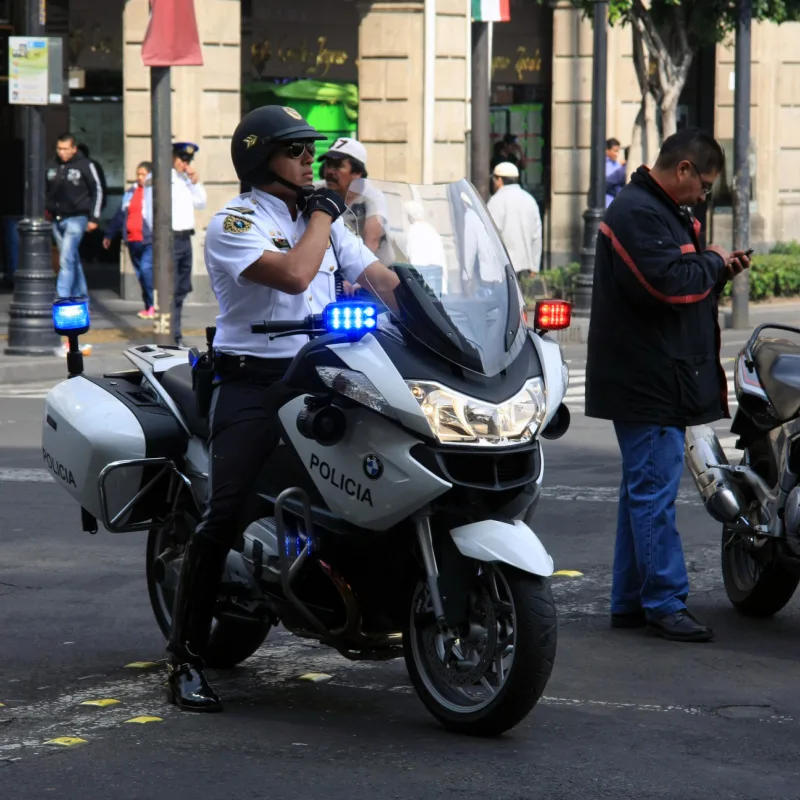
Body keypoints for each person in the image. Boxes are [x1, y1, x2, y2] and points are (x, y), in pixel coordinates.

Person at [164, 105, 400, 712]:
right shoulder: (235, 222)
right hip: (254, 382)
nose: (309, 161)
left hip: (323, 373)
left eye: (309, 151)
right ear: (260, 158)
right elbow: (296, 276)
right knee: (228, 510)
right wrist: (323, 215)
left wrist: (438, 315)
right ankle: (185, 658)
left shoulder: (322, 218)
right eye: (295, 150)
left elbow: (380, 278)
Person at [585, 128, 751, 643]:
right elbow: (666, 283)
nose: (704, 195)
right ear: (682, 170)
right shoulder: (637, 212)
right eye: (704, 185)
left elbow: (678, 277)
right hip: (648, 377)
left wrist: (715, 269)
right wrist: (711, 263)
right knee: (653, 492)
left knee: (642, 490)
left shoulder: (656, 209)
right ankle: (663, 600)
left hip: (654, 372)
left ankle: (631, 601)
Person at [316, 136, 394, 274]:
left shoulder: (372, 196)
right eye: (328, 165)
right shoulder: (317, 192)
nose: (329, 172)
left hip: (374, 276)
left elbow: (372, 240)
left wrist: (357, 274)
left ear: (357, 172)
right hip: (338, 273)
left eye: (338, 166)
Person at [46, 132, 104, 300]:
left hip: (77, 217)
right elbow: (46, 190)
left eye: (65, 149)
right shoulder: (52, 165)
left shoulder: (85, 165)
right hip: (57, 218)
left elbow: (97, 190)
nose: (61, 152)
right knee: (72, 258)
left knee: (66, 259)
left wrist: (94, 218)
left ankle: (62, 295)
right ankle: (80, 295)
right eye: (59, 149)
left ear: (74, 149)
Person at [103, 161, 154, 319]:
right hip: (132, 240)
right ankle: (148, 305)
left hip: (148, 240)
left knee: (146, 271)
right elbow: (120, 214)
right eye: (138, 174)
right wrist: (109, 234)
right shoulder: (130, 192)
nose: (139, 177)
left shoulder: (152, 192)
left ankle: (153, 305)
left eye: (143, 174)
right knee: (140, 275)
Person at [171, 141, 207, 345]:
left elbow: (201, 203)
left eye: (187, 161)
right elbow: (148, 211)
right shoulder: (162, 179)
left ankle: (176, 333)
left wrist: (195, 181)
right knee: (172, 290)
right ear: (173, 158)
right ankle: (172, 334)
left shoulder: (186, 180)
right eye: (182, 159)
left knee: (182, 289)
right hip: (170, 239)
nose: (185, 164)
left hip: (185, 239)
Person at [487, 161, 542, 276]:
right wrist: (535, 266)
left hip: (503, 268)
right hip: (525, 266)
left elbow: (489, 236)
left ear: (499, 180)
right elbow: (536, 236)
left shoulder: (496, 201)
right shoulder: (529, 199)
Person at [605, 137, 627, 207]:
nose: (617, 154)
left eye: (618, 151)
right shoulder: (604, 165)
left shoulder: (617, 164)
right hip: (607, 203)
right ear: (607, 150)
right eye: (615, 151)